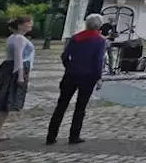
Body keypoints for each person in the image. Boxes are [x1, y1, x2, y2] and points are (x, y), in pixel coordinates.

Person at [46, 13, 107, 145]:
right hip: (88, 76)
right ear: (99, 26)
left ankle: (51, 136)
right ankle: (74, 136)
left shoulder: (76, 37)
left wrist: (69, 67)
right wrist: (99, 77)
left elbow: (64, 56)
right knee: (81, 107)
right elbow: (98, 60)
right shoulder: (100, 40)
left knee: (61, 105)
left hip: (71, 74)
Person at [0, 16, 34, 141]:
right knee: (4, 102)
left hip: (8, 68)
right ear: (21, 25)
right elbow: (19, 58)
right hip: (13, 70)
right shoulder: (19, 39)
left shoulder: (14, 38)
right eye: (28, 23)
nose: (31, 25)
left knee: (3, 102)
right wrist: (20, 75)